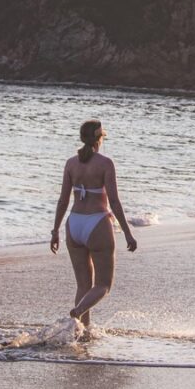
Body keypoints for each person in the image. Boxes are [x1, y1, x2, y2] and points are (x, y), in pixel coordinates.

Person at [50, 119, 137, 327]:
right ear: (100, 138)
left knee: (83, 285)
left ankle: (83, 331)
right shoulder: (105, 164)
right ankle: (78, 312)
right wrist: (127, 232)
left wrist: (55, 231)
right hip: (97, 223)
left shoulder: (71, 163)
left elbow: (63, 200)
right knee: (103, 285)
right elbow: (114, 201)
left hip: (74, 224)